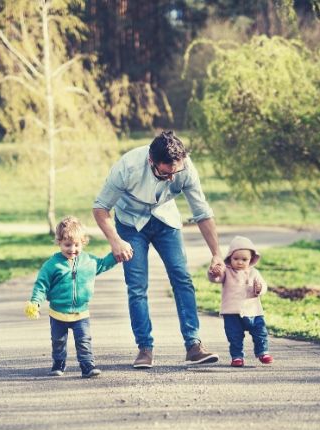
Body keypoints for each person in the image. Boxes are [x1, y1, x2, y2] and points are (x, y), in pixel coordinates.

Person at [93, 130, 224, 368]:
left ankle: (194, 345)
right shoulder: (127, 167)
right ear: (152, 162)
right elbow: (101, 208)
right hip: (131, 225)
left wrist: (216, 254)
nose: (172, 178)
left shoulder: (184, 168)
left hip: (166, 221)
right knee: (137, 286)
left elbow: (202, 212)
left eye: (176, 172)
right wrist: (116, 241)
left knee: (182, 277)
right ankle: (144, 348)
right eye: (165, 173)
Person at [25, 216, 119, 378]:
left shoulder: (88, 261)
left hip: (81, 312)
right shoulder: (52, 264)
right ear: (59, 242)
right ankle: (58, 363)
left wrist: (117, 254)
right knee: (58, 342)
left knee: (84, 341)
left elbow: (104, 263)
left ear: (83, 243)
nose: (72, 249)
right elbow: (41, 284)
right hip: (58, 313)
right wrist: (36, 302)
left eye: (77, 245)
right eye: (67, 245)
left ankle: (87, 365)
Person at [208, 235, 274, 367]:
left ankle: (263, 352)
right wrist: (214, 273)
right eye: (236, 259)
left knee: (260, 333)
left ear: (251, 260)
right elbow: (216, 279)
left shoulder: (254, 272)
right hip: (231, 312)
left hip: (254, 311)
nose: (239, 262)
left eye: (244, 259)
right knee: (234, 337)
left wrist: (260, 288)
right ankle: (237, 356)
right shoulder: (227, 272)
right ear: (229, 258)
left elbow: (263, 286)